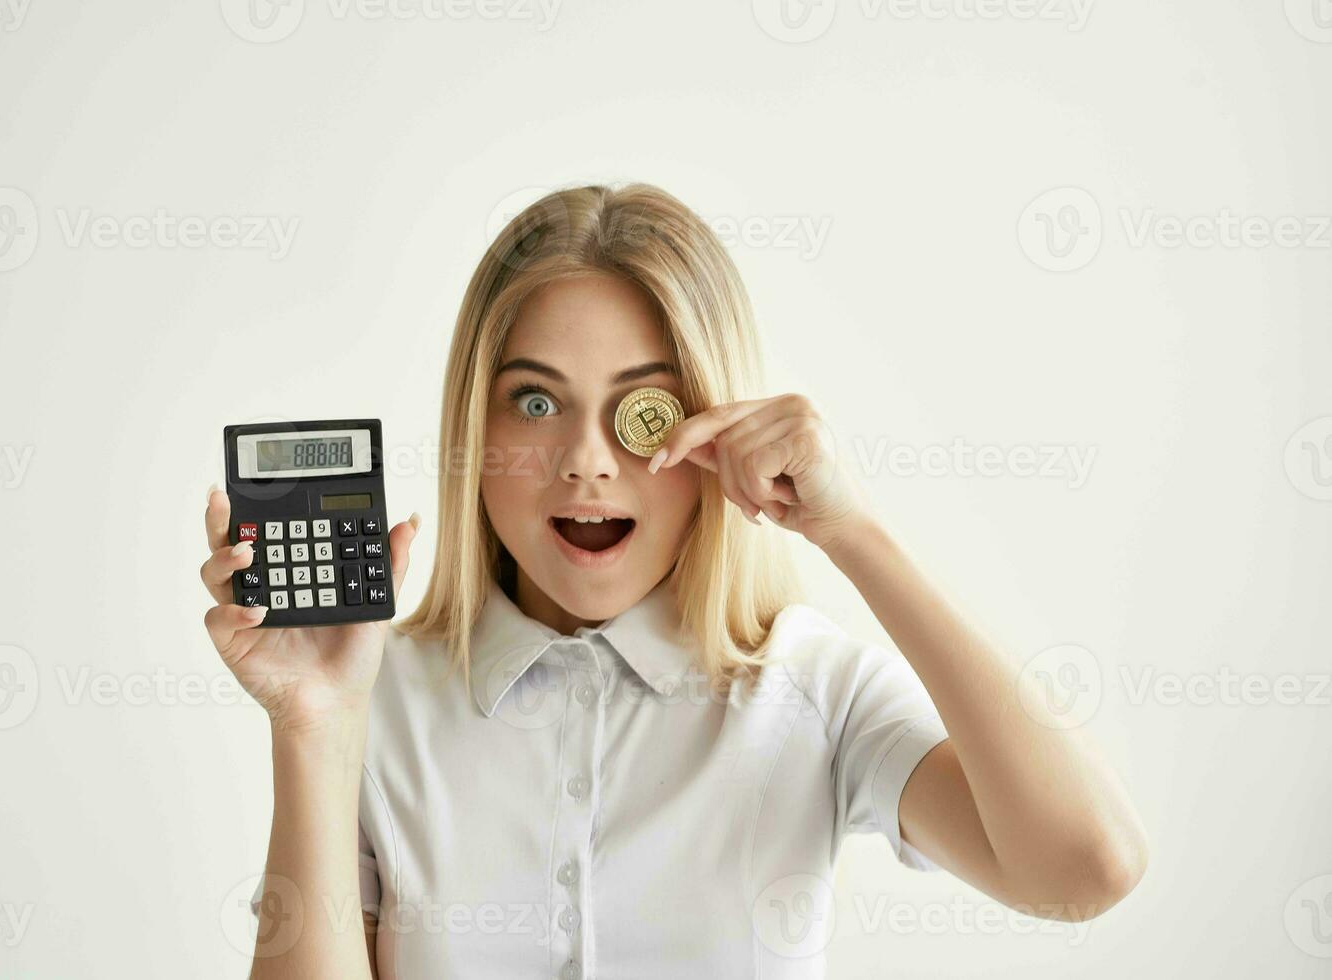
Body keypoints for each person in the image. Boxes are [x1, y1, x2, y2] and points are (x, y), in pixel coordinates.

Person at [199, 183, 1149, 979]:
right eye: (536, 401)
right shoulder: (380, 700)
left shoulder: (814, 690)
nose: (585, 462)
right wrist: (314, 728)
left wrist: (851, 530)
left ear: (712, 431)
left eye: (641, 411)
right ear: (474, 435)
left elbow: (1084, 868)